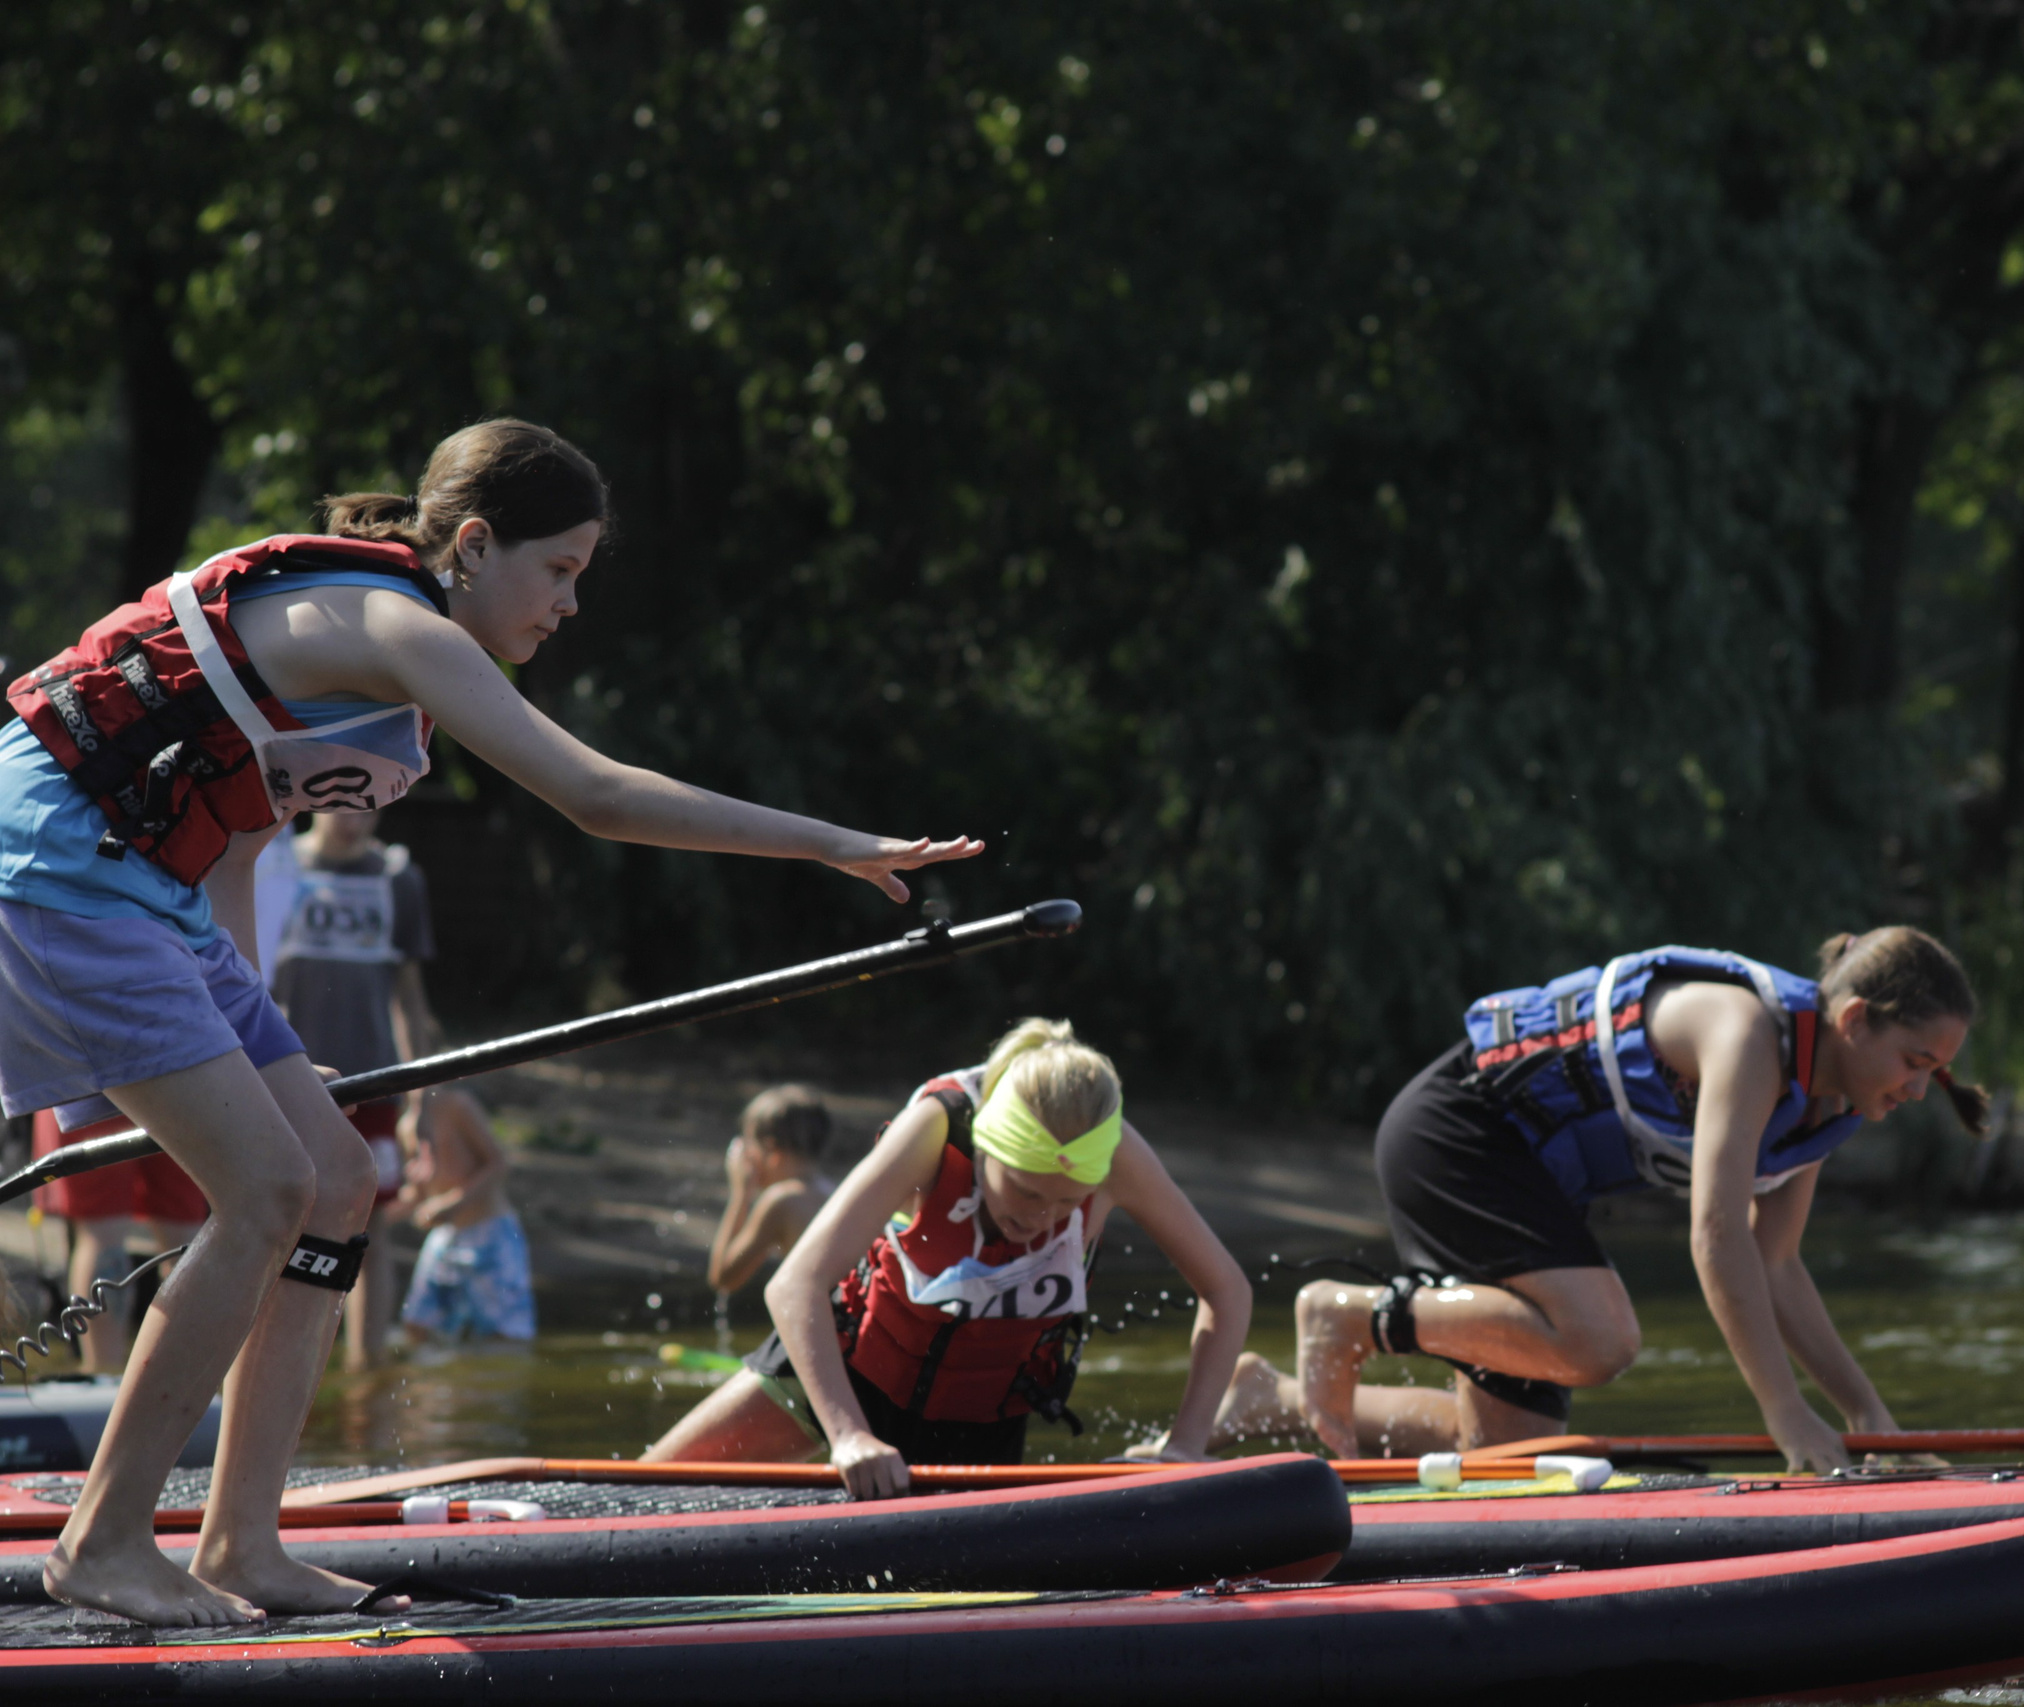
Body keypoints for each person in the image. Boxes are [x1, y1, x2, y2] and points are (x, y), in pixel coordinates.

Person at [0, 417, 980, 1626]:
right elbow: (598, 797)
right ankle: (100, 1541)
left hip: (147, 893)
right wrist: (830, 843)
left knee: (339, 1179)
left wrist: (266, 1040)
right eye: (558, 569)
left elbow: (238, 841)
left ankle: (241, 1543)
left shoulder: (372, 659)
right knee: (262, 1192)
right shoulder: (398, 625)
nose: (570, 604)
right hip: (55, 871)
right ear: (472, 543)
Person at [1216, 930, 1987, 1471]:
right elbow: (1718, 1237)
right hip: (1457, 1133)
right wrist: (1784, 1411)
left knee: (1515, 1456)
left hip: (1534, 1180)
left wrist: (1866, 1413)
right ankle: (1350, 1315)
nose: (1919, 1090)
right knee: (1602, 1340)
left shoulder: (1834, 1105)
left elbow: (1777, 1264)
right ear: (1855, 1021)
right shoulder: (1746, 1033)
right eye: (1915, 1062)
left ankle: (1267, 1398)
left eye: (1937, 1073)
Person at [643, 1019, 1252, 1498]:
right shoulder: (937, 1127)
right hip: (848, 1371)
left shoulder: (1116, 1153)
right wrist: (849, 1434)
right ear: (985, 1145)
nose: (1041, 1215)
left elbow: (1227, 1290)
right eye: (1025, 1190)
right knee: (643, 1486)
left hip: (981, 1416)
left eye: (1068, 1202)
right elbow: (794, 1284)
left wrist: (1186, 1444)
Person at [266, 808, 439, 1370]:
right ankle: (275, 1364)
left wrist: (421, 1103)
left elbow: (411, 1002)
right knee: (276, 1218)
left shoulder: (398, 879)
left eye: (368, 804)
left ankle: (366, 1370)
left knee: (371, 1227)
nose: (355, 817)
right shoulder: (273, 868)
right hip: (285, 1082)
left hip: (374, 1082)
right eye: (344, 802)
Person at [27, 1105, 207, 1374]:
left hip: (90, 1083)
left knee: (103, 1236)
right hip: (183, 1078)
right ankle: (184, 1379)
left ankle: (105, 1373)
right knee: (187, 1244)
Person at [396, 1086, 531, 1343]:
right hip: (445, 1238)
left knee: (504, 1336)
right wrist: (368, 1216)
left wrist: (451, 1203)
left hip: (491, 1232)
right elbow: (416, 1194)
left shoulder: (457, 1106)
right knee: (416, 1325)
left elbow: (497, 1162)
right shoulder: (405, 1126)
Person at [704, 1084, 835, 1298]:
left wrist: (740, 1194)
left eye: (749, 1144)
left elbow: (723, 1278)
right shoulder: (834, 1191)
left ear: (772, 1150)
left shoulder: (781, 1200)